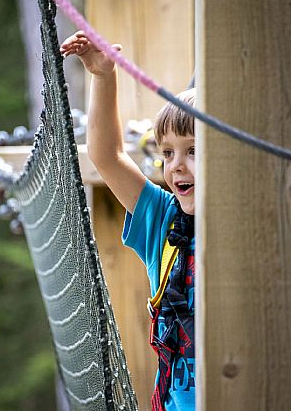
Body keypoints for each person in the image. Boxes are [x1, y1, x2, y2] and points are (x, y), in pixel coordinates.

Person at [60, 31, 196, 411]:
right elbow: (108, 155)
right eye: (168, 153)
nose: (176, 165)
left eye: (193, 151)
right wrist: (104, 76)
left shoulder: (260, 227)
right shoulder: (163, 220)